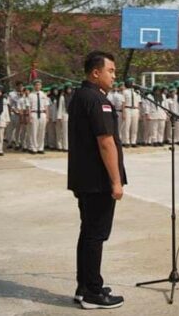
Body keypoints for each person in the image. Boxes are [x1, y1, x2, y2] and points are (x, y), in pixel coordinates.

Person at [67, 51, 126, 309]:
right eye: (110, 71)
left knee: (88, 232)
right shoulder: (97, 99)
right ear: (95, 72)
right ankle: (93, 291)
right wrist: (116, 181)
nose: (114, 76)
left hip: (84, 178)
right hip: (97, 180)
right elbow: (105, 142)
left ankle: (85, 286)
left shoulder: (81, 96)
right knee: (96, 235)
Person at [28, 79, 51, 154]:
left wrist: (47, 116)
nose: (38, 86)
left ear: (41, 86)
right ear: (34, 86)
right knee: (34, 131)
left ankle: (40, 147)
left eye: (39, 85)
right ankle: (33, 148)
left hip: (42, 114)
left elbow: (46, 106)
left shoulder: (43, 94)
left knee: (42, 131)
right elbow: (29, 107)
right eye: (36, 85)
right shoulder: (30, 95)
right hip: (34, 113)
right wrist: (30, 116)